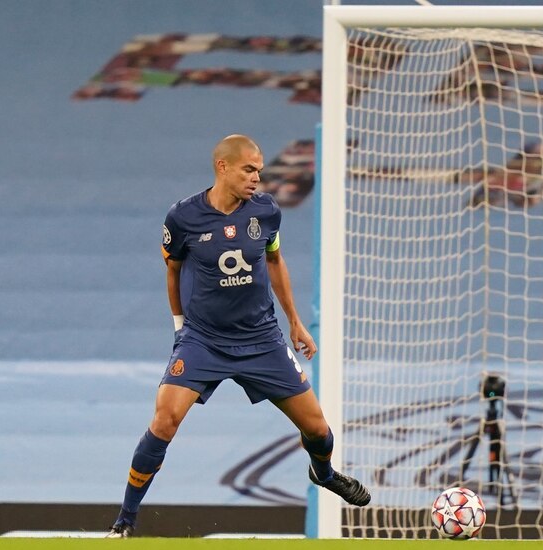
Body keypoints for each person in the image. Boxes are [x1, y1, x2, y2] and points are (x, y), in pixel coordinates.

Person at [106, 134, 370, 538]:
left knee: (317, 429)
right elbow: (173, 271)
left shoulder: (266, 212)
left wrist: (295, 322)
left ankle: (324, 473)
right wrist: (180, 329)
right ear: (223, 167)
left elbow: (275, 260)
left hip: (262, 339)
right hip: (203, 341)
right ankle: (124, 522)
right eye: (249, 169)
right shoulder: (182, 218)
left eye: (259, 170)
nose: (257, 178)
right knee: (164, 420)